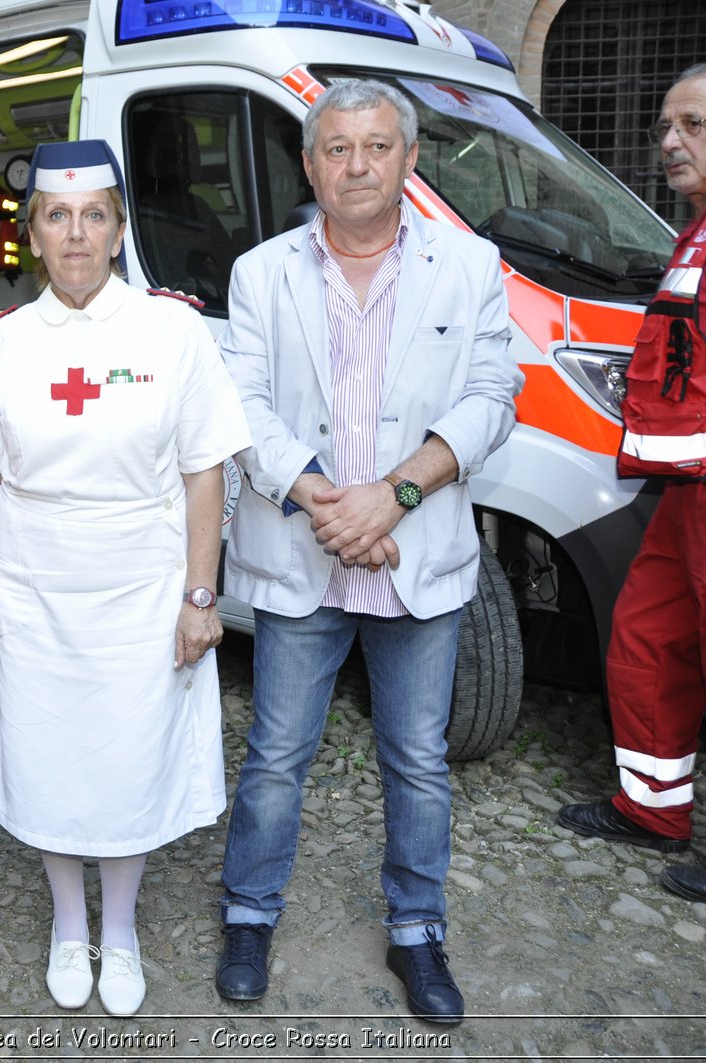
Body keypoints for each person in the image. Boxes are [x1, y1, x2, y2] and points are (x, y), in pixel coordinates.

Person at [212, 79, 521, 1025]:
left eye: (377, 147)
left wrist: (395, 495)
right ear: (309, 164)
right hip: (300, 550)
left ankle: (418, 929)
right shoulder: (260, 271)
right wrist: (323, 498)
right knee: (273, 756)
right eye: (336, 148)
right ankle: (249, 913)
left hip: (415, 555)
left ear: (410, 159)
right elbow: (244, 405)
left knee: (419, 759)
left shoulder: (470, 266)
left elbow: (491, 396)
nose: (357, 165)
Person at [0, 140, 250, 1017]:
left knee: (129, 763)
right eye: (57, 216)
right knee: (51, 762)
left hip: (142, 593)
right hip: (36, 593)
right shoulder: (3, 346)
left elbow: (205, 470)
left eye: (94, 216)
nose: (76, 234)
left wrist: (201, 596)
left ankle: (116, 929)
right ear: (34, 238)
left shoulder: (172, 330)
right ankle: (66, 924)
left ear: (118, 231)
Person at [558, 61, 706, 907]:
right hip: (691, 486)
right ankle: (653, 805)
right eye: (666, 126)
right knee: (645, 637)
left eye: (694, 124)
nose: (670, 141)